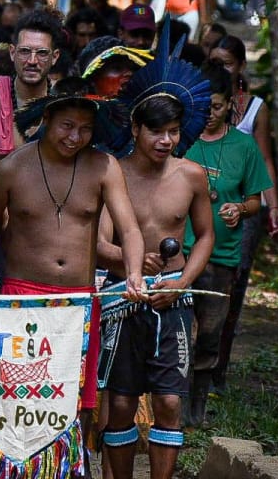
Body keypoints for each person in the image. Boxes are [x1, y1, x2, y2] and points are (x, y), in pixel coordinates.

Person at [0, 90, 148, 472]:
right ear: (46, 120)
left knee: (76, 401)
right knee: (16, 400)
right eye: (67, 126)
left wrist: (133, 273)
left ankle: (69, 468)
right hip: (21, 298)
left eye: (84, 129)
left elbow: (129, 229)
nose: (74, 138)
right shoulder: (12, 168)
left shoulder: (103, 165)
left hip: (79, 302)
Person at [94, 33, 215, 479]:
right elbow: (99, 243)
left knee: (167, 400)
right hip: (123, 297)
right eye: (157, 131)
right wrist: (129, 264)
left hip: (173, 296)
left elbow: (204, 238)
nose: (166, 140)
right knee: (122, 401)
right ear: (136, 129)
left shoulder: (192, 176)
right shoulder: (112, 173)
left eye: (173, 131)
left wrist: (181, 283)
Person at [183, 65, 272, 426]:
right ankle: (170, 403)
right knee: (175, 332)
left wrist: (240, 208)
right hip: (180, 253)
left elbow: (255, 200)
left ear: (231, 106)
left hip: (221, 256)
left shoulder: (243, 145)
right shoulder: (180, 139)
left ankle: (198, 406)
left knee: (209, 334)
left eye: (217, 107)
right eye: (204, 107)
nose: (209, 115)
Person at [206, 35, 278, 395]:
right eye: (215, 61)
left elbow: (266, 158)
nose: (222, 68)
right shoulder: (200, 104)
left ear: (240, 67)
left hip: (244, 206)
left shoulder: (255, 109)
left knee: (232, 285)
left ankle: (218, 368)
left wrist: (273, 205)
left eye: (227, 62)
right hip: (204, 204)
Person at [0, 9, 63, 159]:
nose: (32, 61)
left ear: (55, 57)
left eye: (42, 53)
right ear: (12, 52)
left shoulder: (65, 99)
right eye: (24, 51)